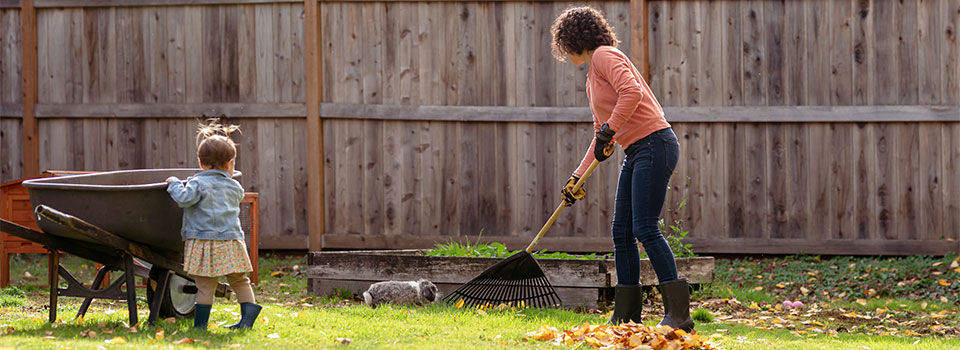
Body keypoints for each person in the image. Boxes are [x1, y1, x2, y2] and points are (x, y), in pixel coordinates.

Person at [550, 6, 692, 331]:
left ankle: (679, 315)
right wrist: (576, 177)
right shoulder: (592, 79)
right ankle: (627, 318)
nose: (563, 52)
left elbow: (633, 92)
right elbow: (599, 136)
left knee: (645, 228)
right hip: (636, 149)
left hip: (655, 143)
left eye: (563, 45)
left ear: (571, 40)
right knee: (621, 231)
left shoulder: (604, 55)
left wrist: (609, 130)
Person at [165, 119, 261, 330]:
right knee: (240, 280)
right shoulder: (235, 186)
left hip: (205, 240)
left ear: (201, 163)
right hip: (232, 241)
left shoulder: (198, 183)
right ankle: (247, 319)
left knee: (205, 285)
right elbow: (237, 196)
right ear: (229, 163)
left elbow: (183, 199)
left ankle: (200, 325)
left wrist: (173, 183)